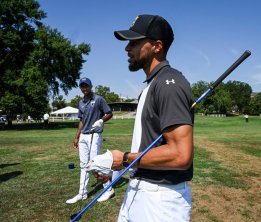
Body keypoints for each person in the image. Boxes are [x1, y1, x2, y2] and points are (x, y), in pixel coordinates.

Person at [95, 15, 194, 221]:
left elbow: (180, 154)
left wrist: (123, 159)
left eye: (134, 42)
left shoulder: (170, 83)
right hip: (139, 189)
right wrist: (115, 168)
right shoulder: (152, 85)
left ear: (157, 46)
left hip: (160, 202)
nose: (127, 48)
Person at [66, 77, 115, 204]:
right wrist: (76, 137)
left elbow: (109, 113)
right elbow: (81, 121)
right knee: (83, 165)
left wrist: (101, 120)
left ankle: (108, 189)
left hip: (95, 134)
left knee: (94, 163)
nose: (84, 88)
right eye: (82, 86)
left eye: (86, 86)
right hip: (83, 136)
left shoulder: (98, 99)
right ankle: (82, 193)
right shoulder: (81, 102)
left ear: (90, 86)